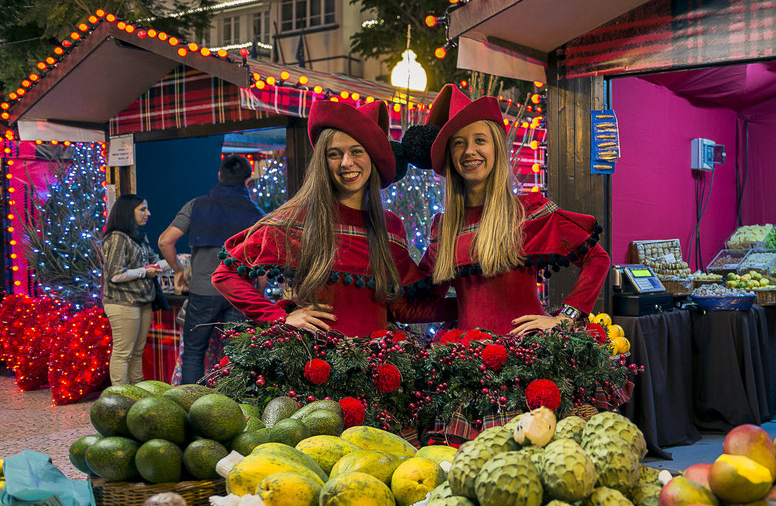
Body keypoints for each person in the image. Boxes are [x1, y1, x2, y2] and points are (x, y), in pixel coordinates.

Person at [213, 100, 453, 337]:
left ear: (372, 157)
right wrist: (279, 318)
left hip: (379, 365)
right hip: (317, 364)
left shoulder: (390, 227)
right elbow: (225, 274)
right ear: (323, 162)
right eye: (335, 154)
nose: (346, 163)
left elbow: (403, 308)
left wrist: (465, 306)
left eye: (357, 151)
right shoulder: (299, 220)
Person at [411, 84, 609, 336]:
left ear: (496, 148)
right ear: (450, 155)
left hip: (526, 355)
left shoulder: (530, 212)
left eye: (479, 140)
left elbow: (597, 258)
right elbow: (421, 304)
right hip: (465, 359)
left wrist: (567, 317)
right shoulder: (445, 229)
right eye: (459, 143)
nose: (469, 150)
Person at [158, 154, 264, 383]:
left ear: (219, 175)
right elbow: (263, 262)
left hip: (203, 291)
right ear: (247, 181)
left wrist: (179, 270)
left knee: (194, 353)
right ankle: (228, 410)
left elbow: (165, 241)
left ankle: (190, 407)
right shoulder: (257, 215)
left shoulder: (196, 205)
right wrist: (259, 291)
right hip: (240, 294)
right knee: (235, 357)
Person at [101, 194, 169, 384]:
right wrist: (143, 272)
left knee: (137, 352)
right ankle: (120, 397)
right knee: (123, 353)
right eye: (142, 209)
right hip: (123, 302)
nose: (148, 213)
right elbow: (115, 274)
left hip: (143, 301)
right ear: (127, 213)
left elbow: (154, 264)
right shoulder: (117, 238)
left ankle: (137, 395)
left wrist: (176, 260)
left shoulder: (139, 236)